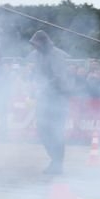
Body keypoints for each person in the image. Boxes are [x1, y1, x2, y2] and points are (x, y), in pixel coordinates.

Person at [28, 30, 74, 175]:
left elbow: (59, 77)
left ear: (43, 43)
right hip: (44, 98)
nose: (34, 47)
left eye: (36, 44)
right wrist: (34, 85)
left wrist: (43, 86)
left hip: (58, 98)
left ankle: (57, 163)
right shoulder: (37, 55)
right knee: (42, 130)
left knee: (56, 132)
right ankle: (54, 160)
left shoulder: (57, 55)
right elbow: (37, 74)